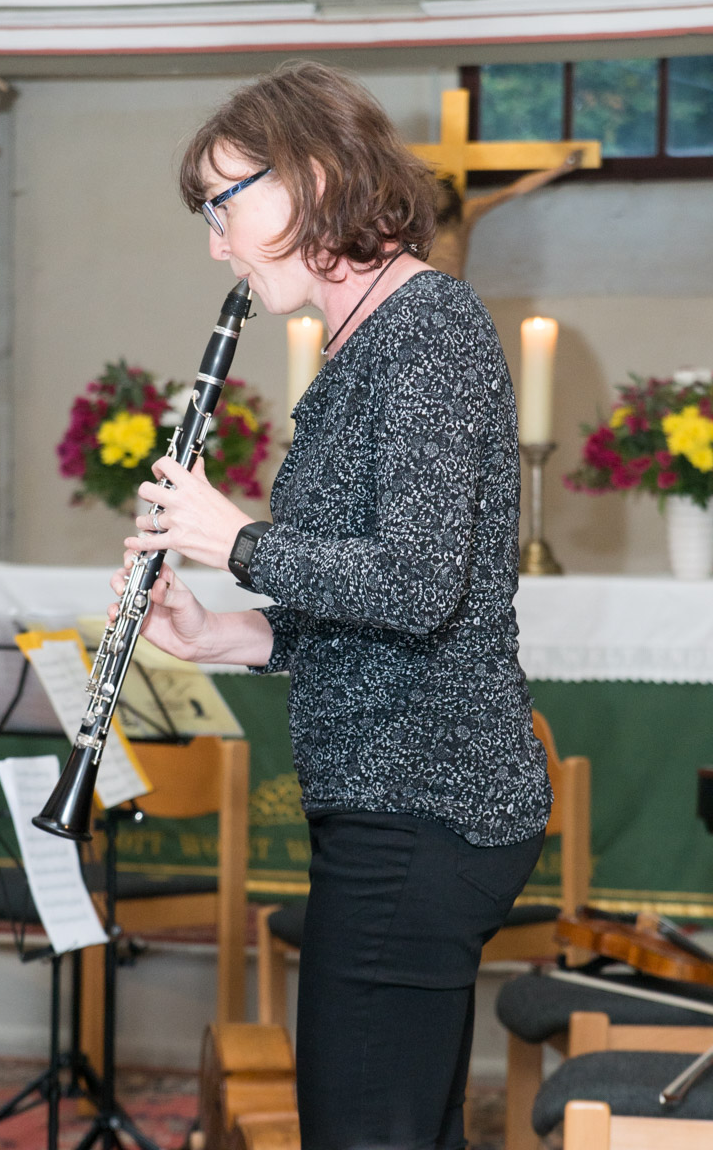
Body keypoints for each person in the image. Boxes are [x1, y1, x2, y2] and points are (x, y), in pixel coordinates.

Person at [110, 60, 552, 1150]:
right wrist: (219, 632)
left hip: (423, 805)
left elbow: (416, 584)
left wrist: (236, 541)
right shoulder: (368, 344)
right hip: (396, 802)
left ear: (309, 176)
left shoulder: (427, 329)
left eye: (221, 206)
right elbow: (371, 620)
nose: (215, 243)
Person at [429, 150, 583, 280]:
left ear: (450, 194)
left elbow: (515, 190)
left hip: (452, 292)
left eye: (436, 191)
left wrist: (562, 168)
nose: (433, 197)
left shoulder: (465, 214)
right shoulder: (418, 222)